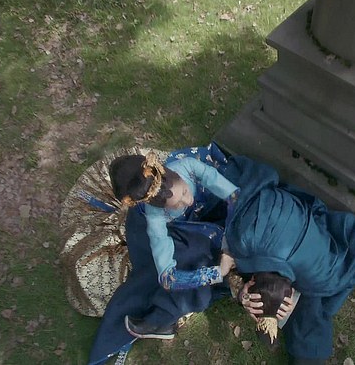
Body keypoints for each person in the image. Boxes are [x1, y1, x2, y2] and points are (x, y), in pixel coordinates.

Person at [87, 144, 240, 365]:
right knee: (189, 258)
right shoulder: (155, 220)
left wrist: (229, 242)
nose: (187, 201)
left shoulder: (188, 165)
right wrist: (217, 272)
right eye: (176, 205)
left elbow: (234, 196)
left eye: (184, 192)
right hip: (171, 231)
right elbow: (168, 278)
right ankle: (161, 318)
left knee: (246, 190)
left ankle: (163, 317)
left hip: (207, 202)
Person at [222, 155, 355, 364]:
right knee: (308, 312)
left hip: (297, 251)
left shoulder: (320, 273)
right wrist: (242, 292)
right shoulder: (241, 238)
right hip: (271, 237)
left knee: (309, 309)